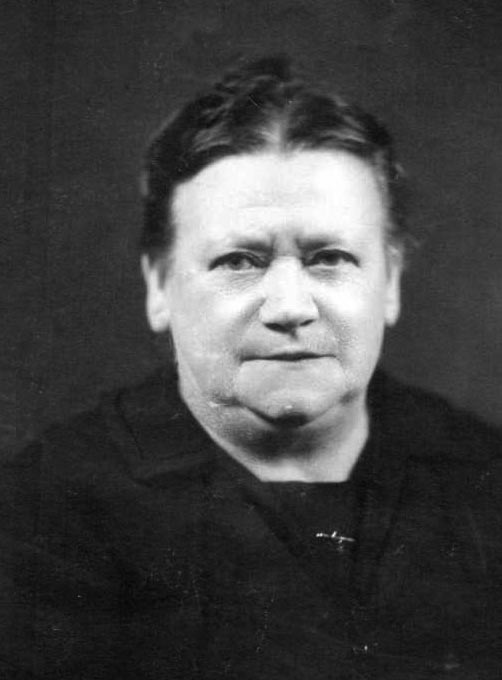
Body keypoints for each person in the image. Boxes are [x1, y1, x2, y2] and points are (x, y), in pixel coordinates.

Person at [1, 56, 502, 680]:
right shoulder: (43, 514)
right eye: (240, 260)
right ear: (158, 285)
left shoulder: (482, 474)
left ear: (391, 282)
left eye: (329, 257)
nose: (290, 307)